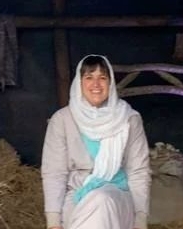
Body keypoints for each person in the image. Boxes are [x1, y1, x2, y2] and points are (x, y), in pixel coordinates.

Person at [41, 54, 151, 229]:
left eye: (102, 78)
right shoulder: (62, 119)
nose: (96, 85)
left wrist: (140, 219)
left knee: (102, 199)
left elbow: (138, 171)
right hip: (77, 197)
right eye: (89, 77)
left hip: (118, 196)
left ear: (110, 83)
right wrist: (53, 222)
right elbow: (54, 172)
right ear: (79, 82)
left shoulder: (129, 119)